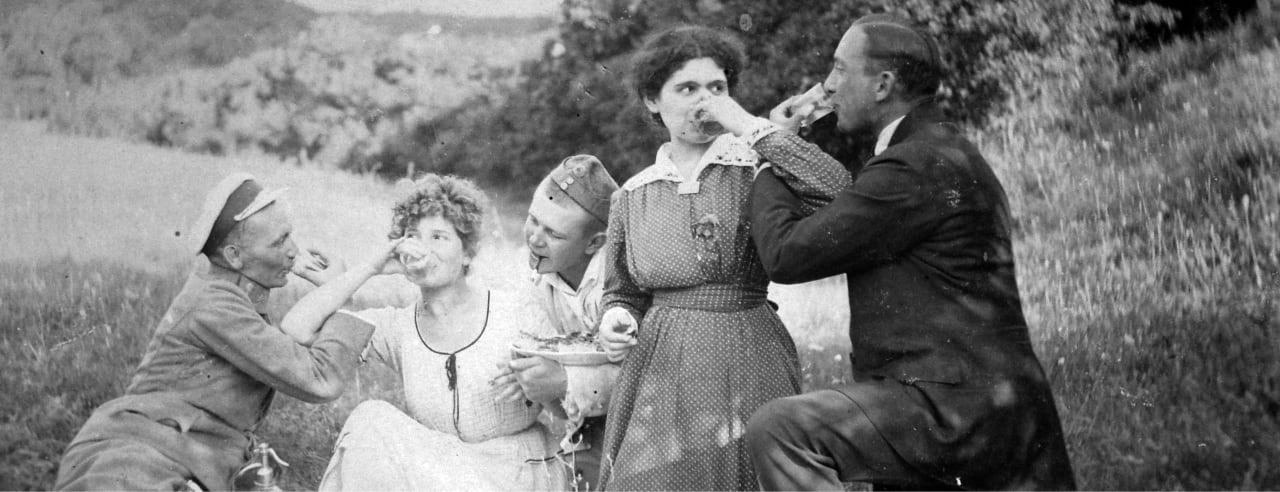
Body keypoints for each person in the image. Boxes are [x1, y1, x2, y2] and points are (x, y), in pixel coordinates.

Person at [696, 13, 1077, 490]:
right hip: (979, 403)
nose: (827, 86)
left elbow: (788, 254)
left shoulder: (913, 165)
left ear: (882, 85)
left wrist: (765, 151)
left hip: (952, 409)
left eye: (839, 69)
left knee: (782, 429)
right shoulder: (933, 152)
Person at [54, 173, 376, 491]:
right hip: (137, 459)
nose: (294, 251)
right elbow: (319, 379)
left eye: (290, 235)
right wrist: (343, 298)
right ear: (235, 257)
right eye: (279, 241)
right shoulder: (216, 304)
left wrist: (330, 296)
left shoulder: (232, 295)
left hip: (171, 456)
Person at [595, 25, 802, 491]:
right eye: (686, 88)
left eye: (717, 88)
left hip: (750, 354)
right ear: (653, 100)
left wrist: (762, 134)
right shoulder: (633, 194)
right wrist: (616, 318)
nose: (704, 102)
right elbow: (622, 290)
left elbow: (834, 192)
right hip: (659, 367)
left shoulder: (756, 170)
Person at [279, 174, 566, 491]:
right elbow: (297, 329)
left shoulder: (515, 311)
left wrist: (544, 381)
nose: (422, 248)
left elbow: (567, 406)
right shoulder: (396, 327)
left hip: (516, 473)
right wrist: (370, 268)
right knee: (369, 418)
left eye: (439, 237)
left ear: (467, 252)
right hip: (443, 470)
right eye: (413, 236)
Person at [496, 154, 621, 491]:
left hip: (647, 428)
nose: (535, 238)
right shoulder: (536, 283)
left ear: (595, 243)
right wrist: (529, 378)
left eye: (553, 232)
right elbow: (558, 400)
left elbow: (647, 376)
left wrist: (565, 383)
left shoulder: (620, 281)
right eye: (532, 220)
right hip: (590, 424)